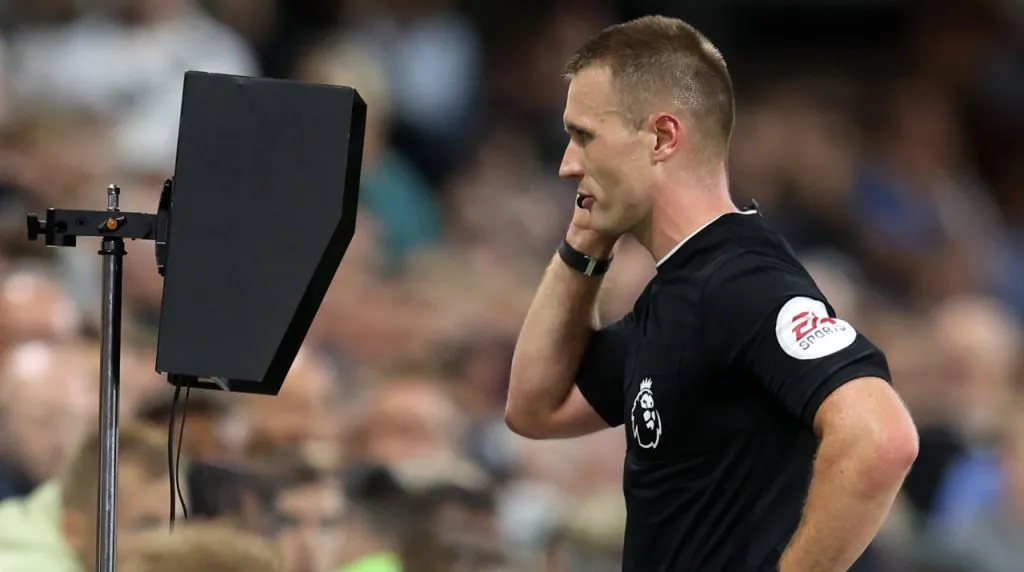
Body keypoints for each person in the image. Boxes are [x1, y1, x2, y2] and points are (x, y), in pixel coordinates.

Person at [504, 15, 919, 572]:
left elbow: (881, 437)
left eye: (584, 136)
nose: (567, 165)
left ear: (662, 136)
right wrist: (586, 238)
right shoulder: (682, 289)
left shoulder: (742, 281)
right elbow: (535, 407)